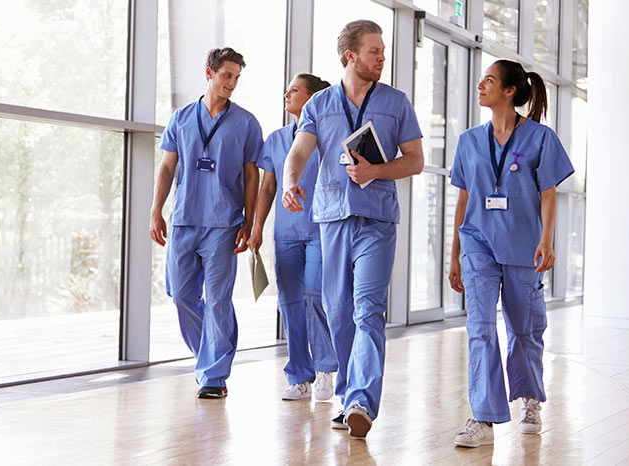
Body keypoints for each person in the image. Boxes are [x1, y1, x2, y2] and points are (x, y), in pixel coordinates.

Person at [281, 20, 424, 439]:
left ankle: (361, 398)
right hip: (331, 219)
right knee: (340, 313)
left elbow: (414, 159)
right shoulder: (319, 104)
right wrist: (291, 182)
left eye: (382, 50)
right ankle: (347, 397)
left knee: (367, 309)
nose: (382, 57)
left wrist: (376, 171)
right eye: (374, 51)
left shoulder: (396, 103)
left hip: (377, 220)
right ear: (350, 56)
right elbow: (299, 152)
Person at [447, 60, 574, 447]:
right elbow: (464, 198)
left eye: (489, 80)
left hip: (523, 245)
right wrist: (454, 254)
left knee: (524, 330)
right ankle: (483, 418)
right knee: (480, 329)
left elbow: (549, 193)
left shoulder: (540, 138)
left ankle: (530, 399)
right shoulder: (469, 140)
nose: (481, 85)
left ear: (509, 92)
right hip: (478, 245)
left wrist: (547, 240)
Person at [150, 47, 263, 399]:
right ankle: (207, 357)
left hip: (224, 223)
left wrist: (249, 219)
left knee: (217, 300)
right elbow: (168, 167)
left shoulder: (246, 123)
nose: (232, 83)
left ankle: (214, 375)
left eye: (237, 78)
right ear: (209, 73)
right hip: (184, 220)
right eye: (227, 75)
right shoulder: (181, 118)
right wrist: (156, 210)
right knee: (181, 294)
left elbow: (251, 176)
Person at [248, 73, 337, 402]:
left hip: (320, 230)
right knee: (290, 304)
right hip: (285, 234)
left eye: (295, 90)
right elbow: (268, 187)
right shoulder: (275, 139)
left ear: (313, 98)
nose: (287, 93)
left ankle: (326, 368)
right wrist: (257, 228)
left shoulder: (328, 137)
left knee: (314, 295)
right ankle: (300, 375)